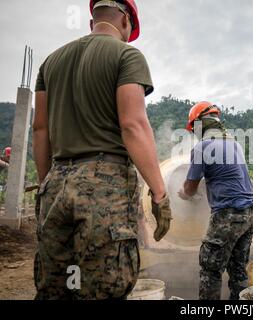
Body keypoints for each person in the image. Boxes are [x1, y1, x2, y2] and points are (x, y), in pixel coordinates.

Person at [32, 0, 171, 300]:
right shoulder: (127, 55)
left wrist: (47, 183)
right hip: (104, 185)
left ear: (92, 21)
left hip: (55, 184)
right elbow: (133, 125)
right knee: (103, 288)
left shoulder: (50, 63)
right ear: (125, 21)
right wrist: (159, 194)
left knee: (55, 288)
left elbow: (40, 130)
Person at [178, 101, 253, 300]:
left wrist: (183, 194)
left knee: (210, 270)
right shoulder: (235, 145)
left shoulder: (202, 147)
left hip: (228, 214)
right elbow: (228, 176)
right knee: (238, 271)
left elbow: (189, 188)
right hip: (250, 213)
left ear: (200, 124)